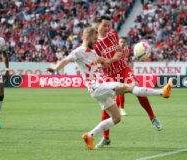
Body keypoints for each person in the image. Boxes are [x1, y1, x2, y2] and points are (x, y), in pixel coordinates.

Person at [45, 27, 173, 150]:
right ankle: (162, 92)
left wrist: (114, 57)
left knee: (116, 118)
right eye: (94, 39)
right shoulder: (79, 51)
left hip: (99, 88)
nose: (96, 41)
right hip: (97, 86)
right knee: (130, 87)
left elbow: (104, 61)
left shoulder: (93, 52)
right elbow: (66, 60)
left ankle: (90, 136)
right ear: (87, 37)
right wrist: (55, 68)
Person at [92, 15, 162, 149]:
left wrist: (121, 52)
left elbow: (119, 50)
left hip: (123, 69)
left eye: (109, 25)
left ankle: (152, 118)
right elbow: (97, 64)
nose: (107, 28)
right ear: (97, 25)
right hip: (109, 76)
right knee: (107, 105)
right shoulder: (95, 44)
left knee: (136, 89)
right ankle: (106, 138)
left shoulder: (113, 35)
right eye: (104, 25)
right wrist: (110, 60)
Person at [116, 37, 133, 116]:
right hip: (117, 73)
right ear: (118, 43)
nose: (122, 43)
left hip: (125, 72)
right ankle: (121, 109)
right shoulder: (115, 51)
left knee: (120, 90)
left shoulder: (128, 51)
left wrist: (131, 69)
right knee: (121, 89)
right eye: (121, 42)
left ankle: (116, 108)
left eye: (124, 42)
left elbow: (130, 60)